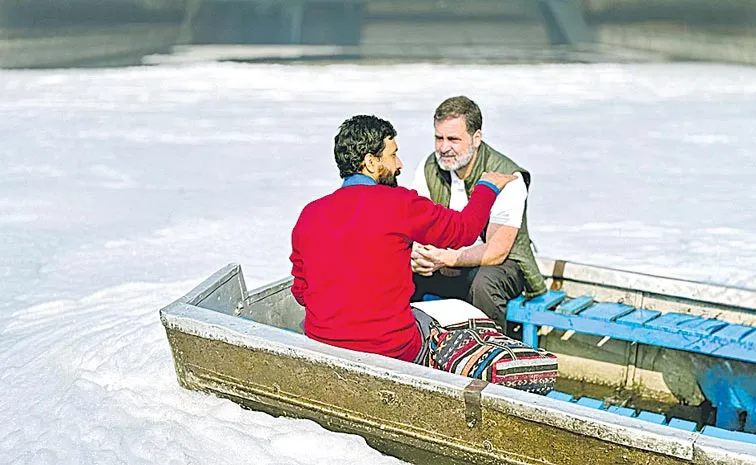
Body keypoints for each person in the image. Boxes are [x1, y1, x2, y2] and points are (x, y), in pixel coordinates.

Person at [289, 115, 516, 365]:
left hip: (323, 344)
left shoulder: (309, 214)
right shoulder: (399, 204)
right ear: (371, 162)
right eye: (393, 154)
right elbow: (464, 230)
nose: (399, 164)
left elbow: (301, 292)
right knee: (445, 323)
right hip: (392, 350)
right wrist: (486, 187)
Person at [410, 96, 547, 331]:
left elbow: (497, 251)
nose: (443, 148)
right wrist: (418, 255)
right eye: (438, 138)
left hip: (500, 264)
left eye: (453, 139)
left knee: (484, 283)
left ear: (476, 138)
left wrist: (448, 258)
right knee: (397, 265)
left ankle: (491, 355)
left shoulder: (507, 177)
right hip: (444, 259)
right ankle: (401, 345)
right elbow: (416, 223)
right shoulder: (429, 166)